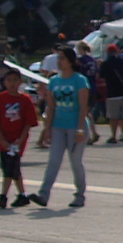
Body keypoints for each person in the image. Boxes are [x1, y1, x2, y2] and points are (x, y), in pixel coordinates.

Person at [33, 49, 91, 209]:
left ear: (71, 61)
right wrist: (47, 129)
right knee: (53, 161)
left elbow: (83, 107)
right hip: (58, 126)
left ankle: (80, 195)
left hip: (75, 127)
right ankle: (43, 194)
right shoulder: (54, 81)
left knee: (75, 162)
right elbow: (50, 107)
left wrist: (80, 130)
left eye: (63, 58)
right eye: (58, 58)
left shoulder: (79, 81)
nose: (59, 61)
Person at [0, 67, 36, 208]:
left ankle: (3, 196)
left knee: (11, 166)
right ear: (5, 82)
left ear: (20, 82)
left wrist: (21, 139)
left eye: (15, 80)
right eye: (9, 80)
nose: (12, 83)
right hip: (3, 138)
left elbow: (29, 122)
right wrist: (1, 138)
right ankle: (22, 195)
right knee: (11, 167)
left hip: (18, 140)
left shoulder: (25, 99)